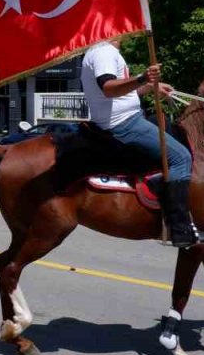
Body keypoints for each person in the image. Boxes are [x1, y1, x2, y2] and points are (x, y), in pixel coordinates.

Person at [79, 39, 196, 248]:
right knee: (181, 157)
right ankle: (179, 228)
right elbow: (108, 88)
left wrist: (149, 87)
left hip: (128, 118)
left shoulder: (105, 51)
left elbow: (120, 93)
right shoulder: (104, 51)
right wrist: (142, 77)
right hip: (124, 124)